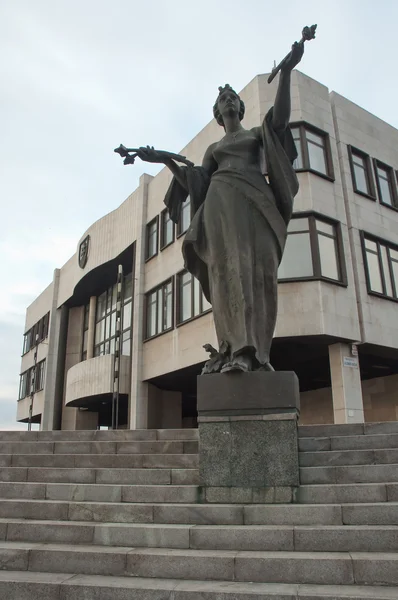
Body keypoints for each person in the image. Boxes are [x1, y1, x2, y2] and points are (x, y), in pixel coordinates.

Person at [136, 42, 303, 373]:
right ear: (217, 113)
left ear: (240, 107)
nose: (228, 99)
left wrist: (285, 72)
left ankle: (259, 354)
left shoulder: (257, 134)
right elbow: (195, 179)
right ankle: (237, 351)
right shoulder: (213, 148)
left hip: (258, 207)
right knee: (229, 274)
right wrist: (164, 159)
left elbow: (280, 121)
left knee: (262, 276)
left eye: (232, 97)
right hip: (221, 209)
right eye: (222, 99)